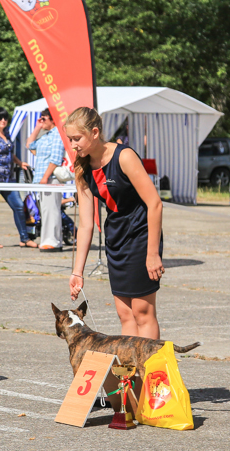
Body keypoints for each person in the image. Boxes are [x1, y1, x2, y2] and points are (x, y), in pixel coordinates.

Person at [67, 107, 164, 338]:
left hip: (142, 235)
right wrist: (77, 272)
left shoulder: (124, 156)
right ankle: (129, 374)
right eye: (70, 139)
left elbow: (155, 204)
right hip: (116, 239)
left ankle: (149, 372)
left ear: (95, 132)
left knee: (142, 312)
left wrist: (152, 254)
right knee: (124, 314)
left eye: (77, 138)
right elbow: (86, 224)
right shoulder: (82, 167)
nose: (73, 145)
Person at [0, 107, 36, 249]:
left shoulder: (7, 133)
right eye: (0, 118)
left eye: (5, 118)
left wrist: (20, 162)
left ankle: (25, 238)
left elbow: (10, 153)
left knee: (18, 205)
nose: (3, 121)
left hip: (8, 178)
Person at [26, 108, 65, 252]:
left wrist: (45, 177)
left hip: (50, 179)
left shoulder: (57, 135)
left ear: (52, 119)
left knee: (52, 210)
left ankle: (53, 241)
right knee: (46, 210)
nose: (42, 121)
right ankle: (49, 240)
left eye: (44, 118)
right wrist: (37, 127)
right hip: (43, 179)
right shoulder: (45, 135)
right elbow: (29, 145)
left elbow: (55, 158)